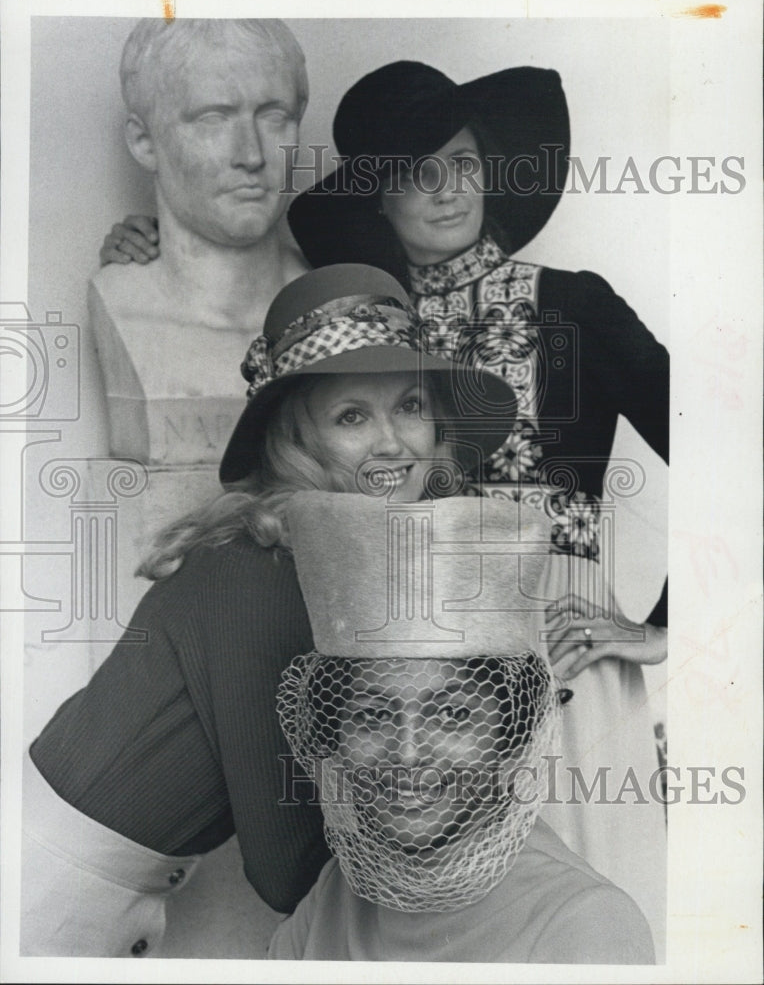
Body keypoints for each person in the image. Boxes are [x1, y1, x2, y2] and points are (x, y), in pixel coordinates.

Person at [104, 60, 669, 951]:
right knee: (412, 906)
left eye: (463, 161)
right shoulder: (360, 317)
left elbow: (733, 446)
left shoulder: (573, 305)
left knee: (581, 916)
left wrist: (667, 624)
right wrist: (146, 241)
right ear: (378, 199)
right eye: (413, 172)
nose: (446, 192)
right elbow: (221, 286)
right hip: (406, 673)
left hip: (560, 653)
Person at [22, 264, 518, 957]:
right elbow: (287, 869)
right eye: (352, 416)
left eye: (409, 405)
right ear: (297, 441)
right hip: (37, 894)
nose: (392, 443)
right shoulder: (268, 571)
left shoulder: (324, 561)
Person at [268, 491, 655, 963]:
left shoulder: (585, 923)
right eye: (372, 715)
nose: (407, 752)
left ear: (512, 737)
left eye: (451, 715)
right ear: (333, 735)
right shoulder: (335, 891)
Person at [89, 18, 310, 463]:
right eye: (213, 118)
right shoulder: (123, 305)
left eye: (274, 117)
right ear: (143, 142)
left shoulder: (336, 303)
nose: (251, 155)